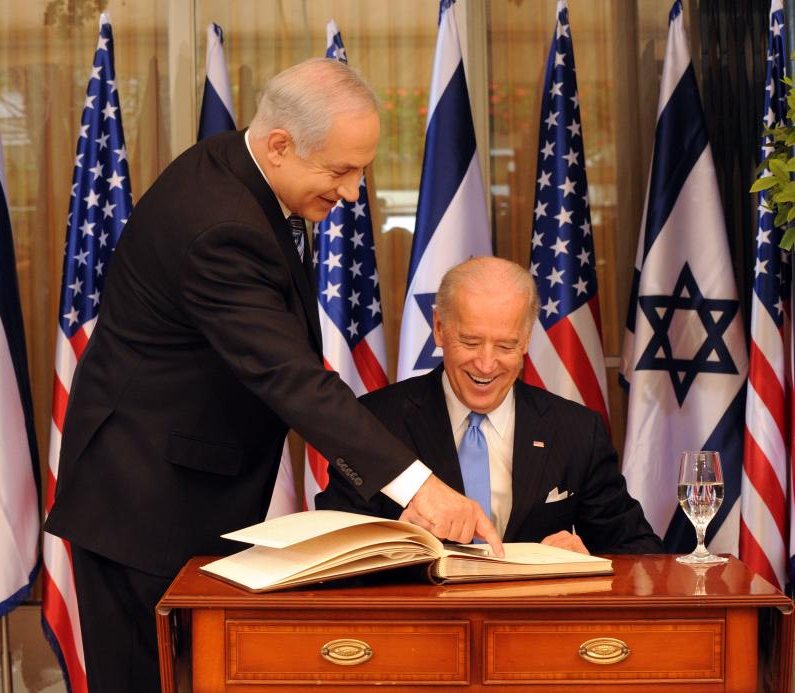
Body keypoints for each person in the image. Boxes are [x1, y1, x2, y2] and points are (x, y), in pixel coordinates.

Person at [44, 58, 501, 692]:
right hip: (146, 508)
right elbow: (291, 378)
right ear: (280, 144)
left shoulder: (243, 167)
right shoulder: (221, 225)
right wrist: (420, 488)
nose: (350, 194)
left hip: (178, 485)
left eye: (360, 170)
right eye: (340, 171)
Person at [317, 257, 663, 555]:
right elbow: (326, 546)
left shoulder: (576, 431)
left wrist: (585, 557)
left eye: (505, 346)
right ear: (439, 328)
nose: (486, 364)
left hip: (531, 624)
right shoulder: (375, 422)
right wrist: (394, 543)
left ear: (526, 339)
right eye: (470, 341)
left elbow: (640, 553)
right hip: (419, 625)